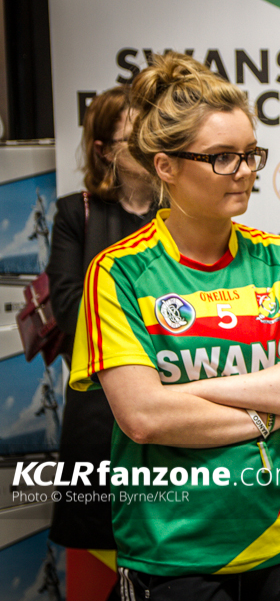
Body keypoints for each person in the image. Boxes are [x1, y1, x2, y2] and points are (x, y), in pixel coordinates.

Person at [68, 52, 280, 600]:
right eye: (222, 157)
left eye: (249, 154)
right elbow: (145, 418)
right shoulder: (118, 273)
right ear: (166, 166)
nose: (244, 171)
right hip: (174, 547)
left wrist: (189, 395)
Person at [47, 86, 158, 577]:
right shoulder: (78, 213)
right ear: (103, 150)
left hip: (171, 409)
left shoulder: (182, 210)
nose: (152, 149)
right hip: (98, 415)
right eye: (135, 140)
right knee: (100, 564)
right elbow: (72, 310)